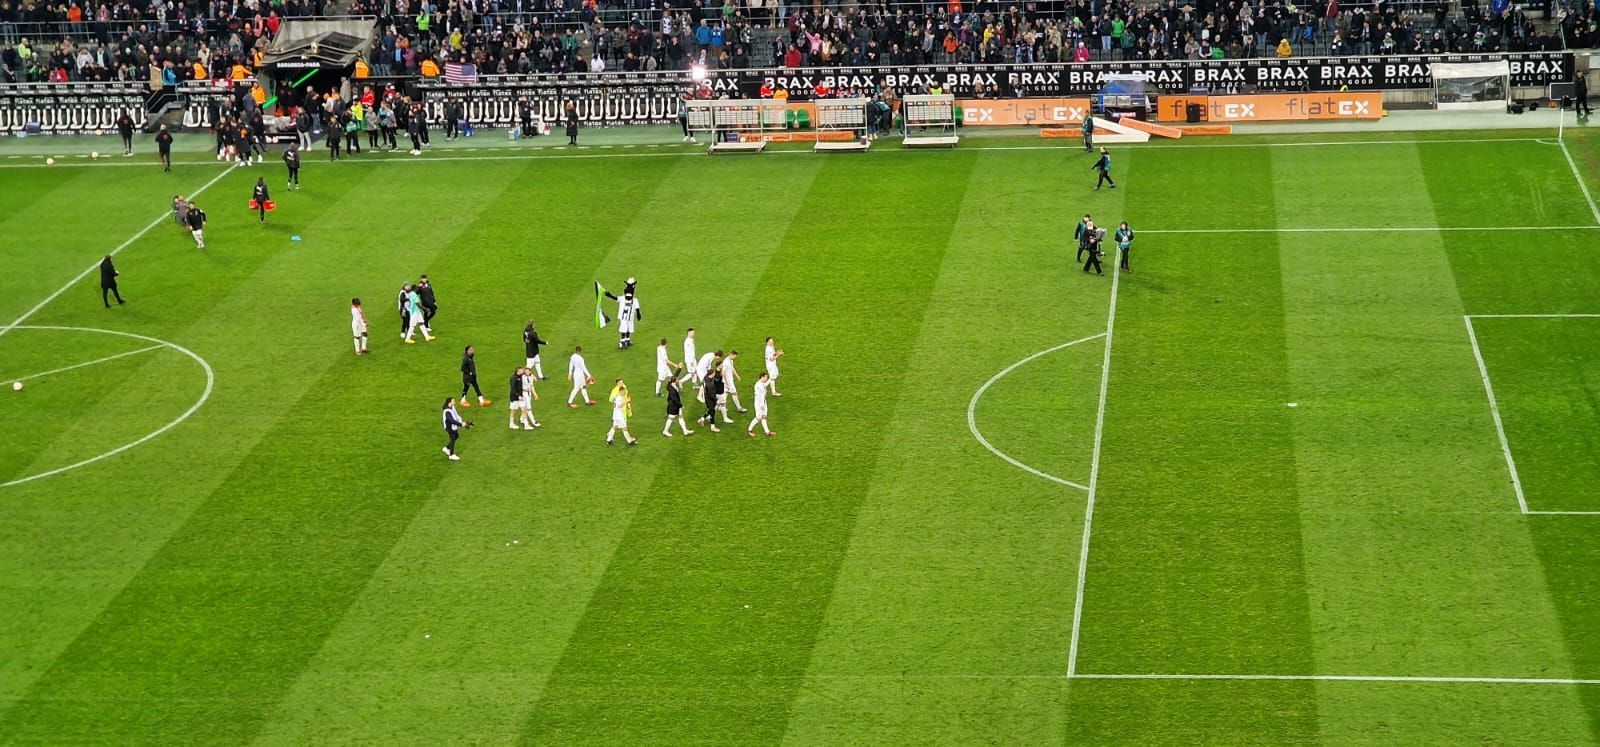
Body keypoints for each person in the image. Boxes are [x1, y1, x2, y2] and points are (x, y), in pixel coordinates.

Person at [606, 379, 638, 445]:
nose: (624, 392)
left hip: (615, 415)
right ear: (620, 392)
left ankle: (609, 440)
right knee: (625, 428)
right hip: (620, 416)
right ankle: (630, 441)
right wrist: (627, 401)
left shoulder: (618, 396)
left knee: (614, 427)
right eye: (623, 392)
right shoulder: (619, 397)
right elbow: (620, 405)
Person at [663, 368, 693, 437]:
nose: (678, 380)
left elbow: (675, 375)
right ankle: (665, 431)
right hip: (673, 406)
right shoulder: (672, 390)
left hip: (675, 405)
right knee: (671, 418)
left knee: (680, 417)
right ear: (675, 381)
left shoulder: (670, 385)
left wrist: (679, 369)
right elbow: (675, 400)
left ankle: (685, 431)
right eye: (677, 380)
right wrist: (681, 406)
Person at [697, 358, 723, 432]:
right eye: (714, 373)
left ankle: (701, 419)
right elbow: (712, 395)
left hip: (707, 398)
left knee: (711, 410)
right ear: (711, 374)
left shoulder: (706, 378)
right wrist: (717, 400)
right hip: (710, 399)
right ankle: (712, 427)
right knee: (712, 413)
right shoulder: (710, 384)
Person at [746, 371, 774, 438]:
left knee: (764, 417)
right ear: (762, 377)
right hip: (759, 403)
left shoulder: (761, 383)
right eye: (766, 377)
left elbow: (765, 385)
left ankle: (767, 432)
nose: (766, 378)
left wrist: (770, 379)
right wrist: (762, 406)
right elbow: (759, 396)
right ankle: (749, 430)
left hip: (763, 402)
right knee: (758, 418)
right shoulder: (759, 386)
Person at [720, 350, 747, 414]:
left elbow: (732, 368)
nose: (735, 358)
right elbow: (722, 373)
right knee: (734, 393)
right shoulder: (726, 362)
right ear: (731, 354)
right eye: (734, 356)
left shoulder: (730, 360)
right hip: (728, 382)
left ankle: (719, 406)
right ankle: (739, 408)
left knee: (725, 394)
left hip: (728, 381)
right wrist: (726, 382)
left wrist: (737, 376)